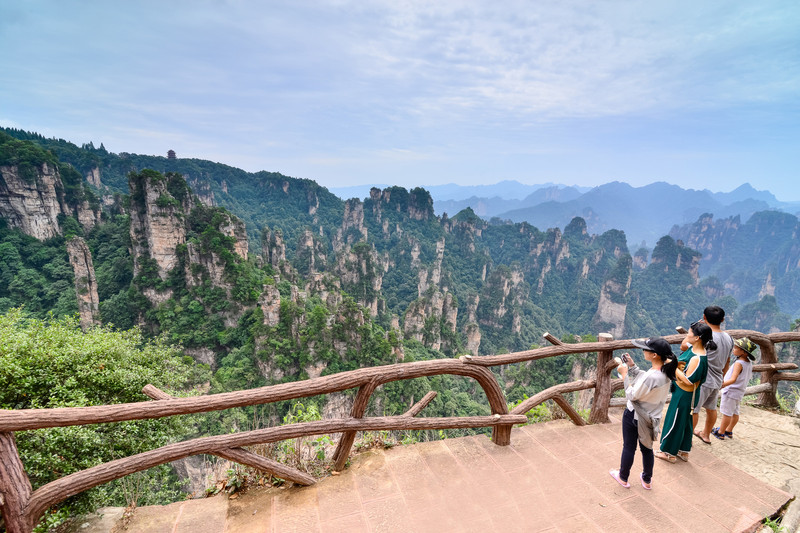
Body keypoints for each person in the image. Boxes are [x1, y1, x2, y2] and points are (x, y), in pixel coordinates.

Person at [609, 337, 677, 490]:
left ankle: (623, 477)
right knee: (647, 449)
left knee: (629, 447)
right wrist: (633, 367)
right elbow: (646, 382)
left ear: (655, 355)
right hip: (651, 418)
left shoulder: (652, 376)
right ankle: (647, 480)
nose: (643, 351)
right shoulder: (666, 372)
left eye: (646, 349)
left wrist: (625, 374)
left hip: (634, 416)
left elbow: (632, 395)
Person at [656, 321, 714, 463]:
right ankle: (683, 451)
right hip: (686, 394)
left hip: (684, 394)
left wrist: (673, 366)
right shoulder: (694, 348)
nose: (687, 334)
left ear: (697, 338)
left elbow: (688, 380)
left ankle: (669, 453)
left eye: (690, 333)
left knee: (674, 420)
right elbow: (685, 343)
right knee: (685, 422)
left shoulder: (697, 358)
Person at [688, 306, 734, 445]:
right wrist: (722, 377)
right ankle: (706, 435)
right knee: (711, 408)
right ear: (723, 319)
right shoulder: (729, 338)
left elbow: (685, 346)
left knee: (694, 410)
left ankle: (687, 438)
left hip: (703, 380)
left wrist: (695, 327)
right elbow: (727, 361)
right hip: (717, 379)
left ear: (704, 317)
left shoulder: (706, 337)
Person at [712, 337, 757, 440]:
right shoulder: (748, 363)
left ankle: (721, 432)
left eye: (736, 348)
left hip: (731, 391)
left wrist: (721, 385)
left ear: (744, 352)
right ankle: (729, 430)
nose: (734, 349)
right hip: (739, 392)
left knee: (727, 413)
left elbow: (733, 379)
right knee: (735, 412)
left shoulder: (738, 363)